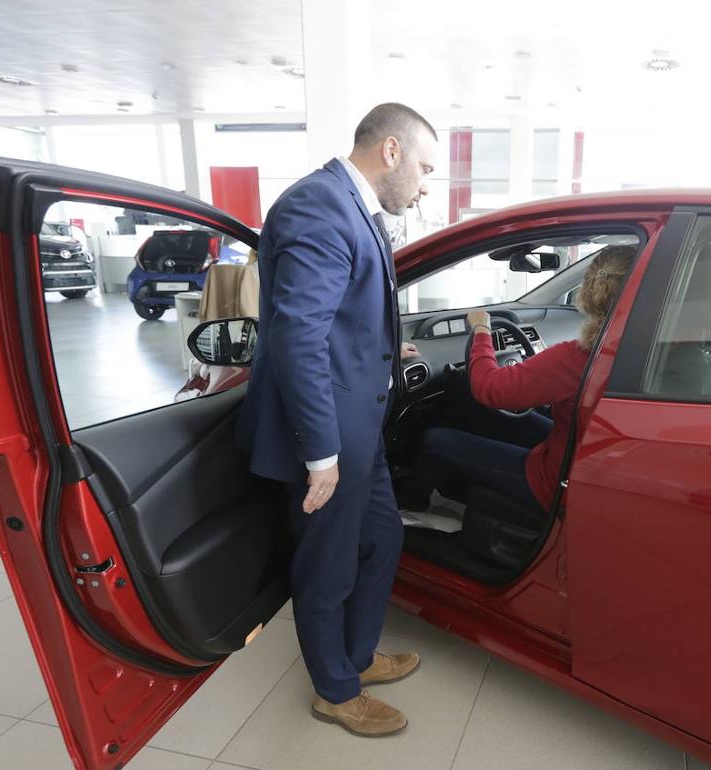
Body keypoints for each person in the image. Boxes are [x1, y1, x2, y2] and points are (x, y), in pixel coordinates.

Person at [235, 103, 437, 736]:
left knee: (383, 538)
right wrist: (320, 454)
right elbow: (297, 337)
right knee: (329, 563)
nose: (427, 184)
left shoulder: (354, 209)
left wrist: (381, 349)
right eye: (426, 167)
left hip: (359, 424)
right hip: (324, 438)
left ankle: (357, 655)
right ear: (392, 152)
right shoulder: (317, 206)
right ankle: (335, 689)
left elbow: (338, 314)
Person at [400, 245, 637, 515]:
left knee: (434, 440)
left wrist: (480, 330)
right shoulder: (639, 351)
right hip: (579, 457)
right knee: (494, 416)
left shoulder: (579, 357)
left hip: (553, 482)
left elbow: (489, 388)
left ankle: (410, 508)